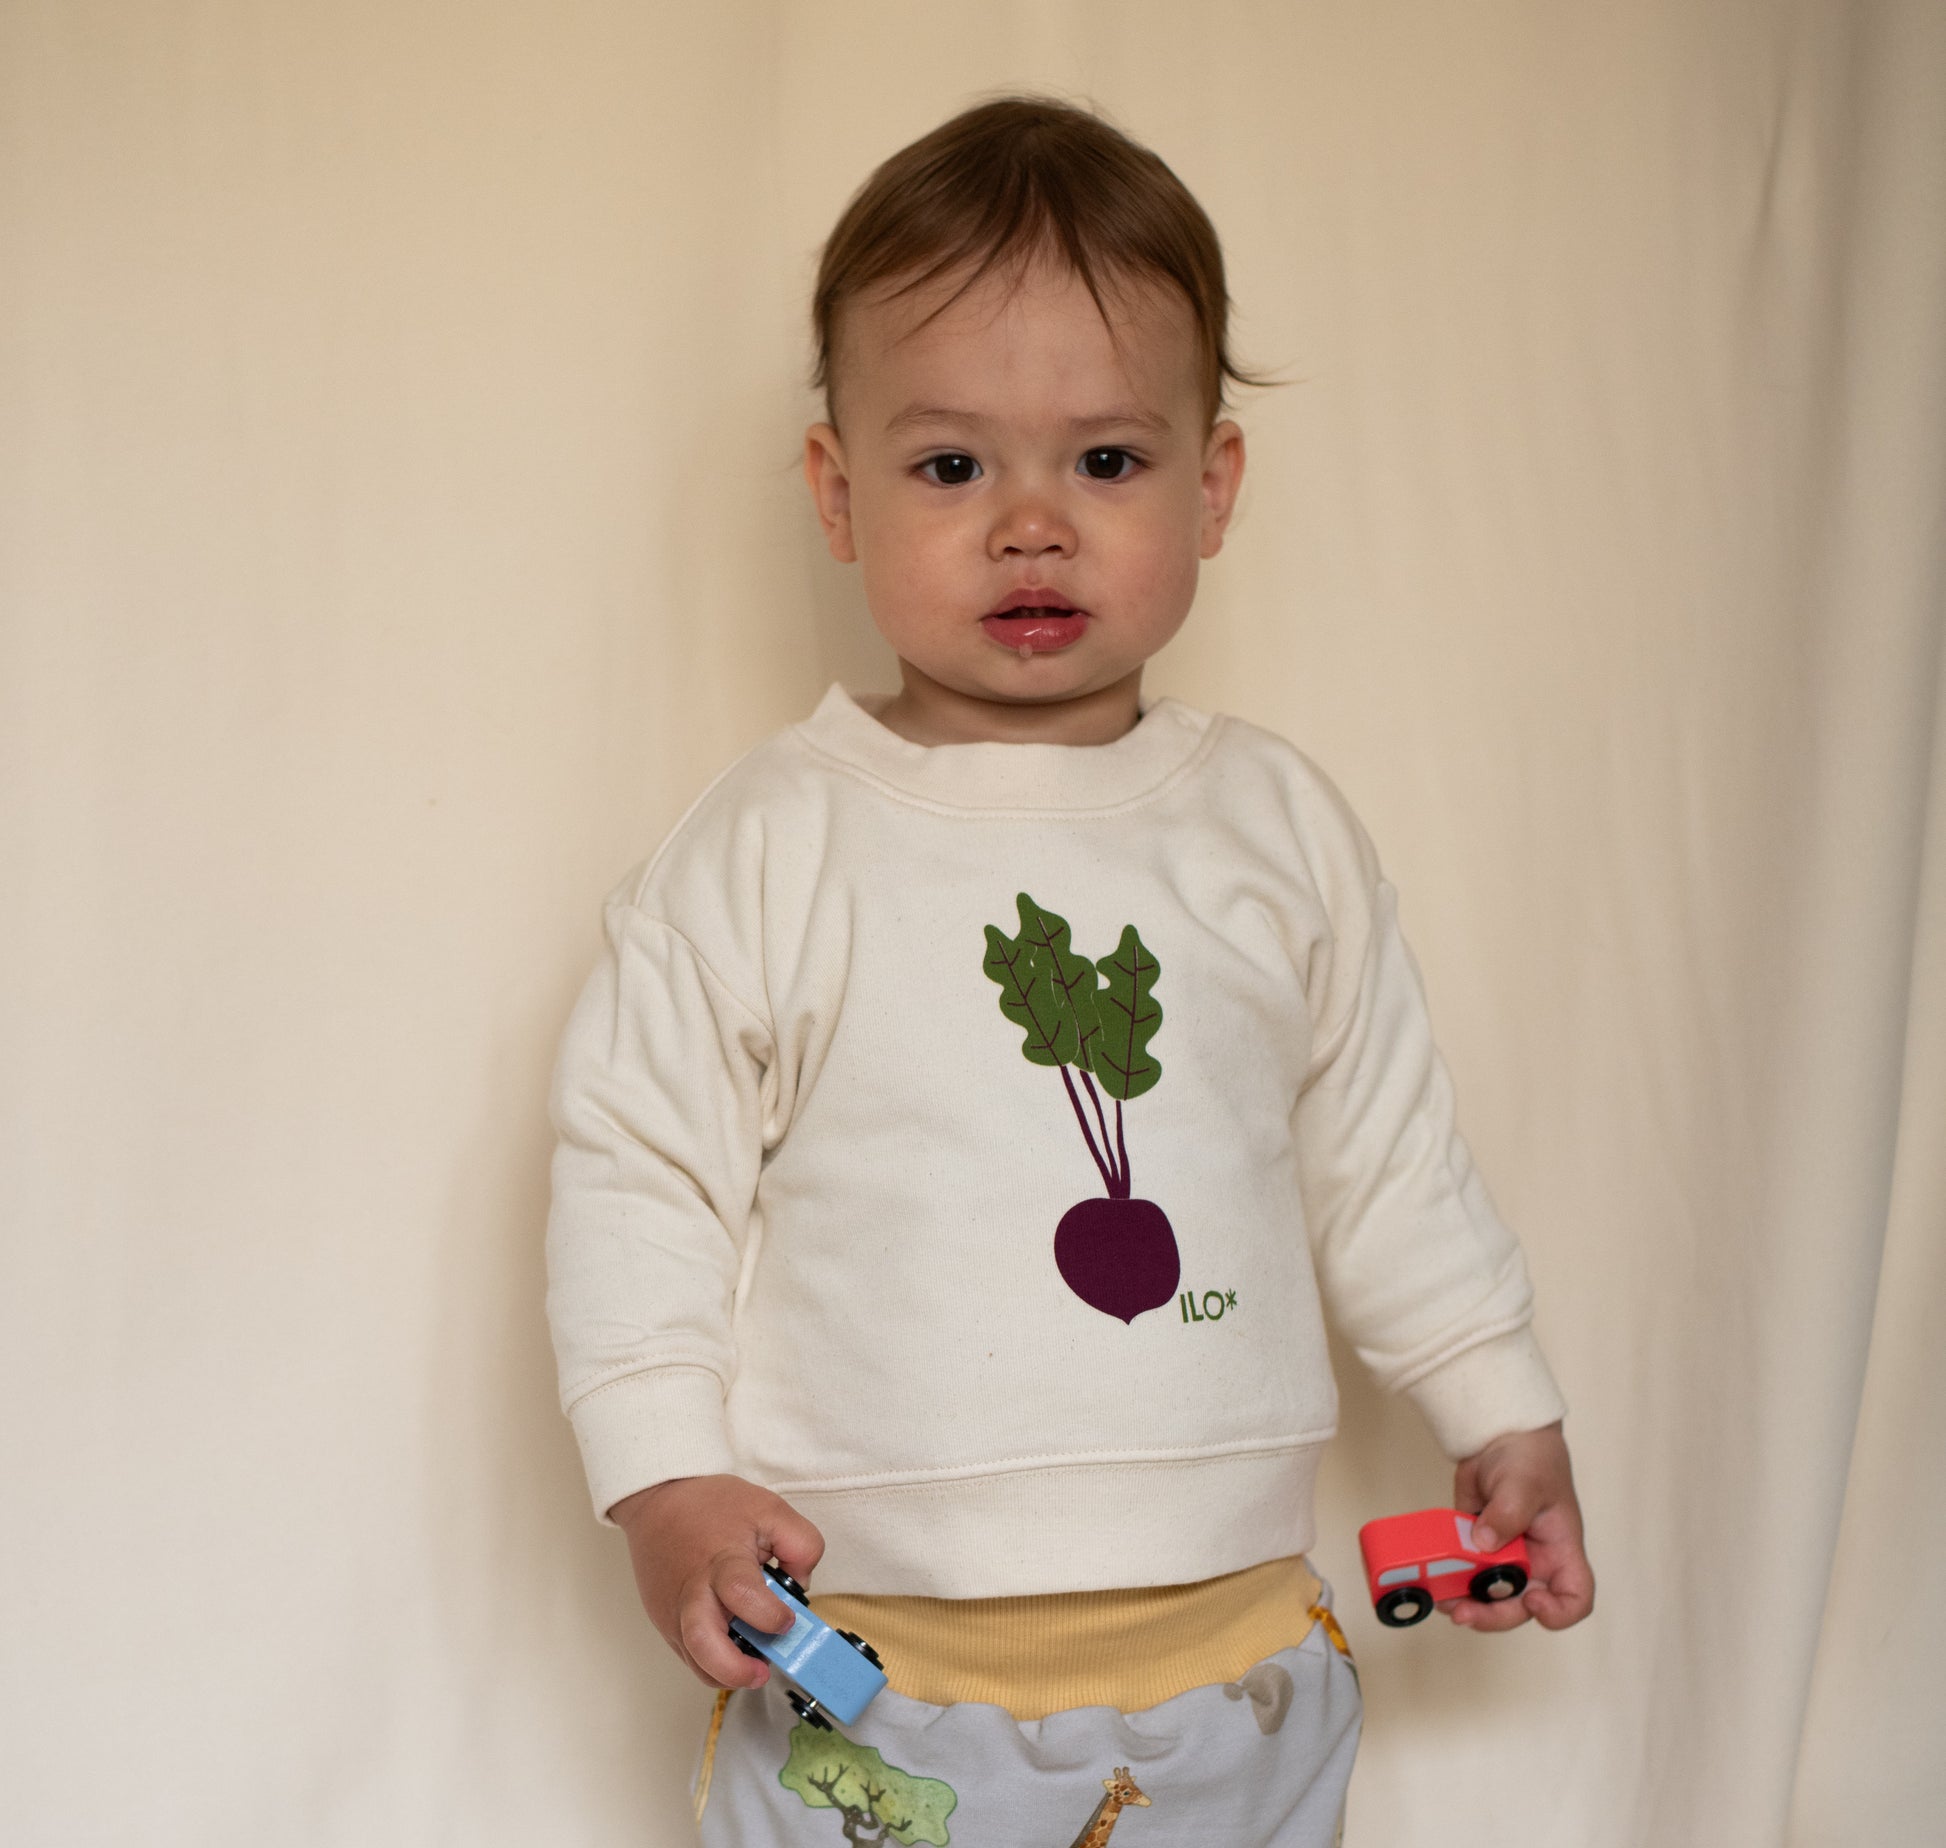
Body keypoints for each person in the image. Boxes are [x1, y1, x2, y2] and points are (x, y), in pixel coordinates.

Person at [545, 95, 1594, 1846]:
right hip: (872, 1654)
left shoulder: (1273, 827)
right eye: (951, 466)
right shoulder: (766, 845)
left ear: (1211, 486)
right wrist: (662, 1480)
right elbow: (638, 1173)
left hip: (1241, 1650)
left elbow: (1384, 1151)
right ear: (836, 490)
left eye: (1104, 462)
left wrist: (1496, 1401)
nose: (1030, 523)